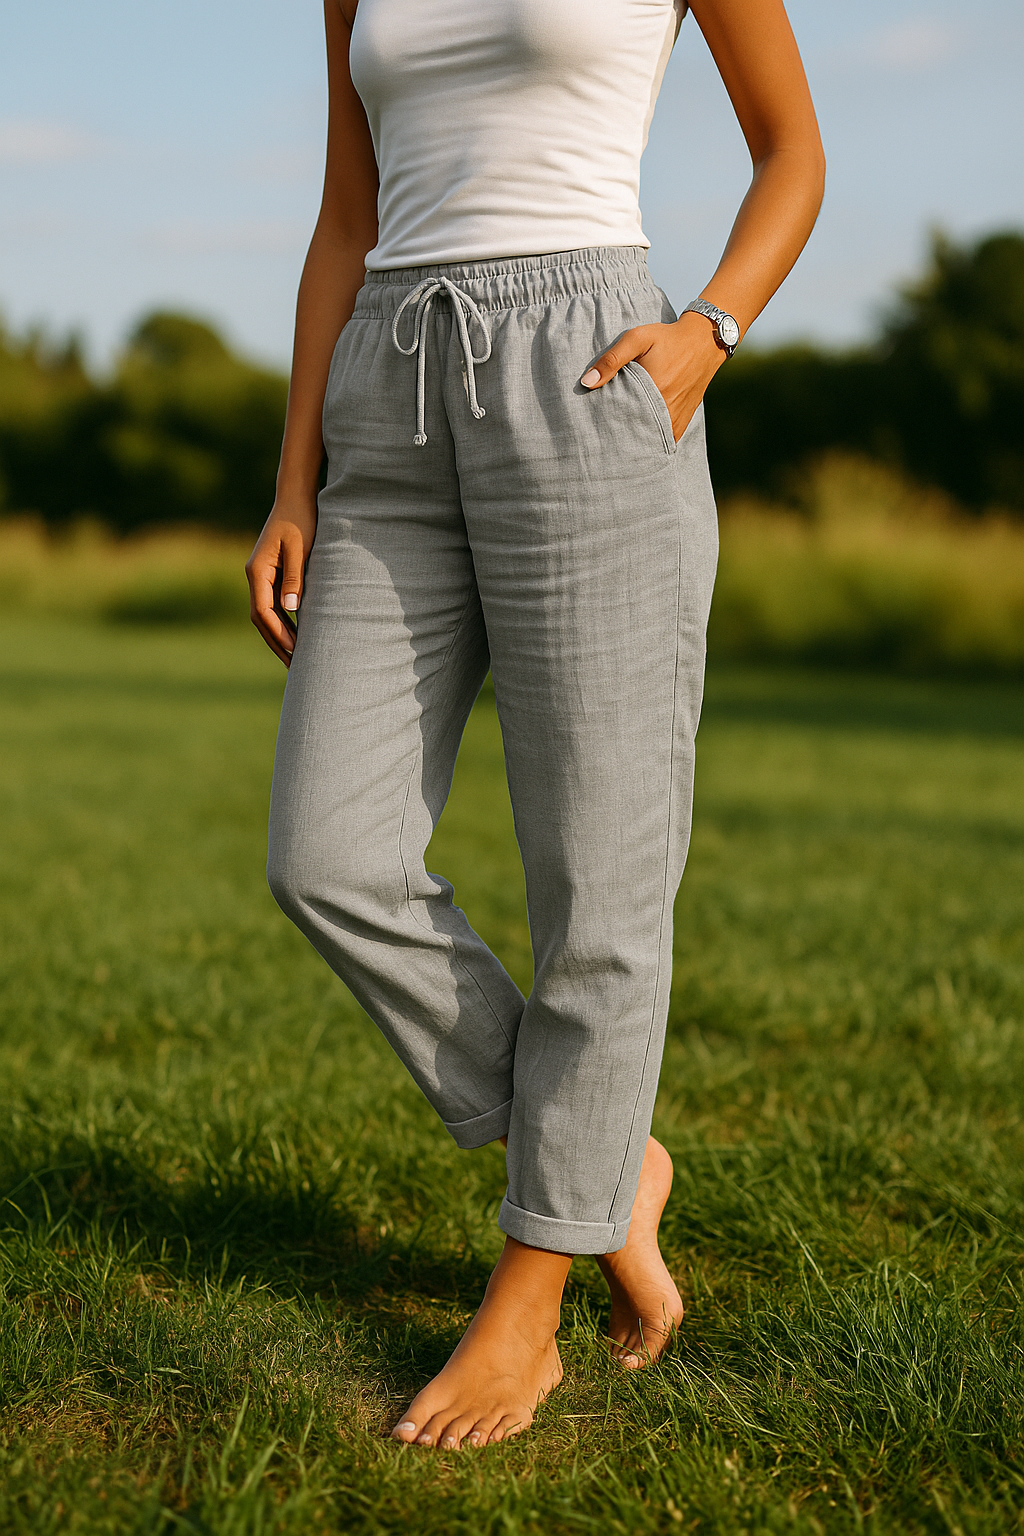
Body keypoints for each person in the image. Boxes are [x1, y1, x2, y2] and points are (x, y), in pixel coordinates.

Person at [245, 0, 824, 1451]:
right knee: (328, 852)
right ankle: (605, 1163)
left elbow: (794, 153)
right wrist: (295, 478)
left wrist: (712, 330)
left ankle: (530, 1298)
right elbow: (344, 212)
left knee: (600, 880)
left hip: (590, 372)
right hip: (389, 383)